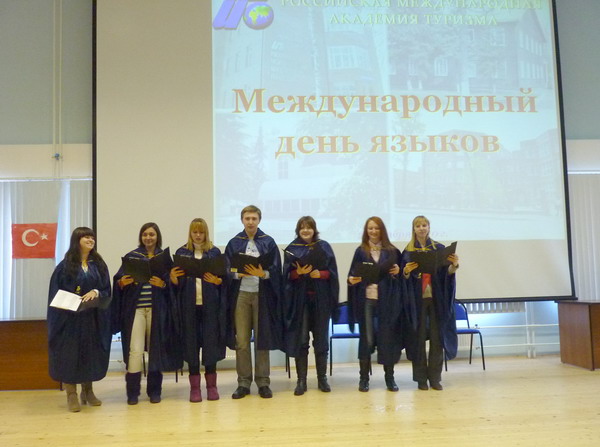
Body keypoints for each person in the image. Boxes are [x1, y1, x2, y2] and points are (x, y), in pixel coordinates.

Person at [112, 222, 181, 405]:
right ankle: (132, 393)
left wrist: (164, 284)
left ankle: (155, 391)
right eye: (145, 234)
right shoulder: (132, 257)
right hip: (136, 310)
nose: (148, 238)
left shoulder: (164, 259)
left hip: (157, 310)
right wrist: (122, 283)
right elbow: (119, 280)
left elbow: (173, 286)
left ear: (157, 237)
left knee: (155, 349)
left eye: (152, 234)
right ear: (141, 237)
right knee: (135, 350)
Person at [47, 227, 112, 412]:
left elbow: (106, 288)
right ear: (77, 240)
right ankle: (71, 394)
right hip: (70, 321)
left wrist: (96, 292)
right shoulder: (65, 266)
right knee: (70, 355)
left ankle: (87, 391)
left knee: (89, 354)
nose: (91, 240)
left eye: (92, 237)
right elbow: (56, 293)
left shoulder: (98, 264)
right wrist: (72, 300)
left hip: (91, 318)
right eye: (86, 237)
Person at [225, 205, 282, 399]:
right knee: (241, 341)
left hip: (261, 295)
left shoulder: (268, 242)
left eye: (254, 218)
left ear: (259, 220)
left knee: (261, 340)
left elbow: (276, 270)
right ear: (242, 220)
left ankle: (263, 382)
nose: (250, 222)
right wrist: (237, 274)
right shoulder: (234, 243)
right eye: (247, 218)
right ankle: (243, 382)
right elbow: (225, 270)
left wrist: (263, 273)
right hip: (241, 295)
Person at [170, 218, 227, 402]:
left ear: (206, 233)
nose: (198, 235)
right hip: (189, 307)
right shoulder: (182, 253)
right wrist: (173, 279)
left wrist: (218, 281)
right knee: (191, 345)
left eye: (201, 232)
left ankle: (211, 386)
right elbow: (175, 284)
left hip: (210, 306)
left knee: (211, 344)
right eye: (195, 232)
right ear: (190, 233)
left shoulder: (214, 253)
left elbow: (224, 280)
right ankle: (194, 388)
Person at [282, 216, 339, 395]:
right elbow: (286, 276)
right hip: (300, 302)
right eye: (302, 227)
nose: (306, 230)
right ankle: (301, 381)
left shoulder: (324, 247)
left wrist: (320, 274)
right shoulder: (292, 249)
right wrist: (298, 273)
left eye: (309, 227)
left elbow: (332, 273)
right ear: (298, 230)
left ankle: (322, 379)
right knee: (302, 341)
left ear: (314, 229)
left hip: (321, 300)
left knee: (321, 340)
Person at [402, 215, 459, 391]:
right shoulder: (408, 251)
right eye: (418, 226)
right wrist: (406, 272)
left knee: (437, 339)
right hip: (417, 301)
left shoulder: (439, 249)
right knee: (418, 340)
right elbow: (402, 279)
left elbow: (446, 275)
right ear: (414, 229)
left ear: (429, 227)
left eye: (424, 225)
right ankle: (421, 379)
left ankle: (435, 378)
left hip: (436, 300)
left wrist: (453, 266)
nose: (421, 228)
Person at [347, 217, 404, 392]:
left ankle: (390, 378)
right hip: (367, 300)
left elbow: (402, 277)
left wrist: (399, 272)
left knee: (387, 338)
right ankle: (363, 379)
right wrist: (351, 280)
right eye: (370, 228)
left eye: (377, 228)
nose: (373, 231)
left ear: (382, 230)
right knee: (367, 339)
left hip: (387, 302)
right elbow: (352, 275)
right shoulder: (360, 251)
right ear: (366, 231)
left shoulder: (392, 251)